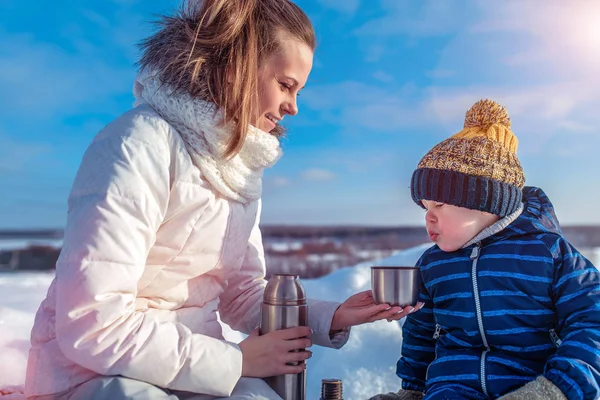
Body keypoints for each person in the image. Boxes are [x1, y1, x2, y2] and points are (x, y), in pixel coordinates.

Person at [24, 1, 419, 399]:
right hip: (92, 376)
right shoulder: (137, 144)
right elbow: (92, 322)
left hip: (192, 368)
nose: (294, 107)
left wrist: (333, 316)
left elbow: (241, 295)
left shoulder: (239, 167)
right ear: (239, 66)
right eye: (285, 84)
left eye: (298, 90)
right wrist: (236, 362)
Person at [371, 99, 600, 400]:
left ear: (485, 202)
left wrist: (557, 389)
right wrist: (412, 390)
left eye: (439, 204)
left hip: (532, 387)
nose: (429, 216)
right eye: (424, 207)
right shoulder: (433, 264)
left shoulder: (549, 253)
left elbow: (592, 319)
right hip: (453, 389)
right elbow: (420, 332)